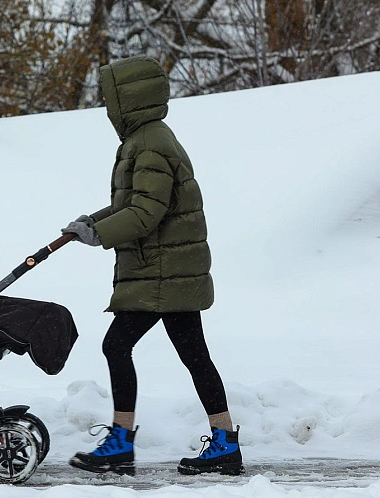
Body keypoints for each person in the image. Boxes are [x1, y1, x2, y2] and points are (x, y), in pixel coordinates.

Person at [61, 55, 243, 477]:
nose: (106, 108)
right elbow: (133, 205)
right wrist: (93, 221)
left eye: (110, 99)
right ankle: (224, 444)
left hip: (161, 272)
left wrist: (99, 235)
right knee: (194, 355)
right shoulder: (146, 140)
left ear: (129, 100)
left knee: (117, 346)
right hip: (165, 269)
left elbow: (144, 214)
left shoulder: (151, 144)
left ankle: (122, 446)